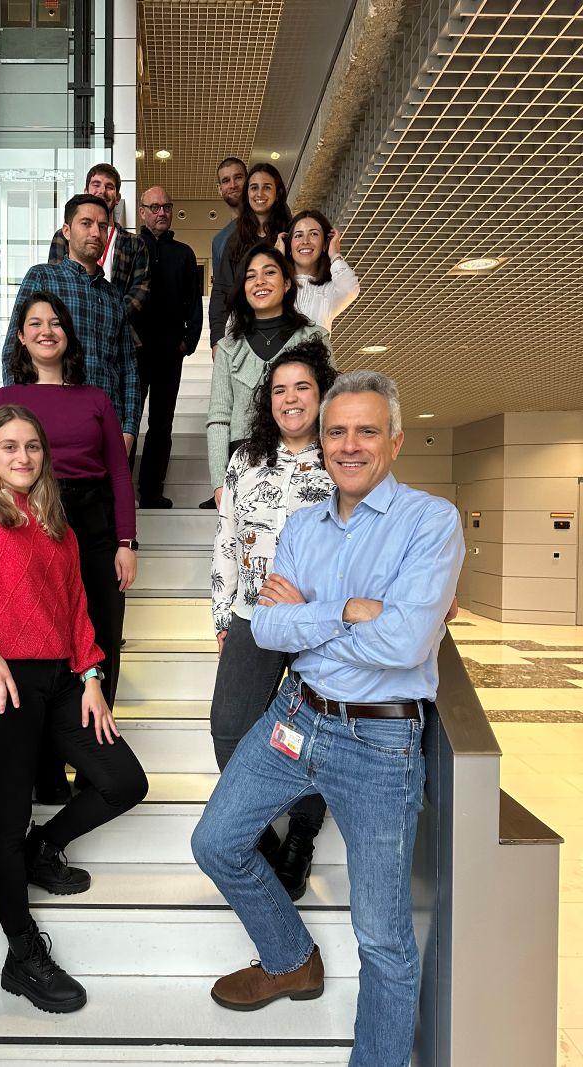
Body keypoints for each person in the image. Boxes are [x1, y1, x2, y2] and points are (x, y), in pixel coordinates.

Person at [192, 371, 465, 1067]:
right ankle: (290, 958)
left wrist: (311, 613)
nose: (349, 445)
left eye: (366, 430)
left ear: (395, 441)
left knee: (382, 936)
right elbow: (273, 630)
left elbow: (404, 644)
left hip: (380, 739)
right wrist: (348, 608)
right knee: (216, 841)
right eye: (337, 431)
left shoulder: (430, 523)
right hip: (296, 713)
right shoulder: (305, 522)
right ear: (322, 441)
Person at [0, 404, 148, 1015]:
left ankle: (46, 847)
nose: (23, 457)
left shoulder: (56, 526)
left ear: (44, 457)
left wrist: (92, 676)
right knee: (4, 825)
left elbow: (74, 611)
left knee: (123, 780)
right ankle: (21, 953)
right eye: (9, 447)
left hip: (62, 681)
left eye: (33, 447)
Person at [0, 293, 136, 802]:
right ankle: (48, 776)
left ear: (68, 335)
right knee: (45, 647)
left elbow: (120, 474)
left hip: (91, 525)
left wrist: (126, 540)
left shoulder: (96, 398)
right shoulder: (5, 398)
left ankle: (93, 760)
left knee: (99, 640)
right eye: (35, 323)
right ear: (22, 336)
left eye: (56, 323)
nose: (47, 330)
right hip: (24, 519)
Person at [210, 342, 336, 899]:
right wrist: (222, 612)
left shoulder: (343, 458)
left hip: (318, 622)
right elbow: (228, 540)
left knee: (317, 730)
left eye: (302, 387)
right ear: (268, 400)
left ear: (322, 395)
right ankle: (258, 832)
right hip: (253, 616)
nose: (290, 398)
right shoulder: (244, 459)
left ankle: (301, 838)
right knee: (229, 726)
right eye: (280, 389)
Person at [1, 194, 140, 452]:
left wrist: (129, 428)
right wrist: (17, 418)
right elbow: (13, 348)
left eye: (102, 226)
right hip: (48, 425)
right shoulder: (42, 278)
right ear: (67, 230)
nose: (95, 232)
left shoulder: (114, 297)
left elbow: (128, 368)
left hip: (106, 428)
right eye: (86, 223)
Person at [204, 243, 331, 509]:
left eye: (269, 272)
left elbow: (331, 408)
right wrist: (219, 480)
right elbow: (218, 418)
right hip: (245, 464)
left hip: (305, 461)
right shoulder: (229, 347)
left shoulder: (315, 337)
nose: (259, 281)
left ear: (286, 283)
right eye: (251, 276)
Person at [133, 184, 203, 508]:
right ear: (142, 211)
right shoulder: (131, 248)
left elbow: (194, 305)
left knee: (162, 423)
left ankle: (151, 491)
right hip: (133, 352)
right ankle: (122, 492)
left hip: (168, 353)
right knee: (128, 422)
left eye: (166, 206)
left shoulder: (185, 254)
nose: (162, 212)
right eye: (155, 207)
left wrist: (187, 344)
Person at [47, 164, 150, 346]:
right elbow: (57, 282)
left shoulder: (135, 244)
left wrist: (109, 315)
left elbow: (141, 289)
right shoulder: (65, 236)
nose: (102, 191)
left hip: (118, 333)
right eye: (96, 184)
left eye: (109, 187)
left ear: (117, 198)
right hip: (72, 331)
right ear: (86, 190)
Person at [208, 163, 291, 351]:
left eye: (267, 187)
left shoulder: (291, 233)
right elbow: (221, 291)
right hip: (245, 330)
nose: (259, 193)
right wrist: (217, 339)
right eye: (254, 188)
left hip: (287, 326)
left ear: (277, 193)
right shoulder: (230, 241)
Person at [277, 209, 360, 334]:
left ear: (325, 245)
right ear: (289, 246)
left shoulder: (328, 291)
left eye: (314, 234)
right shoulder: (277, 286)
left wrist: (335, 255)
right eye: (298, 235)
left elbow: (349, 289)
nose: (305, 241)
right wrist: (276, 259)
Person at [211, 157, 247, 279]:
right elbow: (221, 288)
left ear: (248, 181)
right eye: (226, 180)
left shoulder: (269, 219)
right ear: (220, 189)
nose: (233, 185)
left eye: (238, 177)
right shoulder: (219, 241)